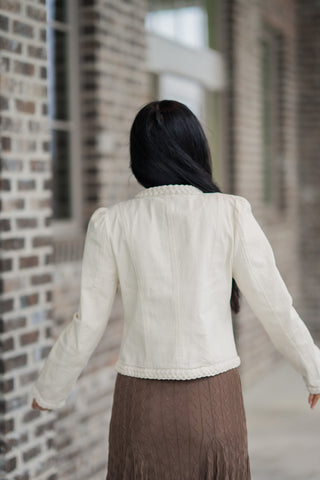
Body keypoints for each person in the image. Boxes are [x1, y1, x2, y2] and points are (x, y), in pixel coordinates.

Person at [31, 100, 320, 479]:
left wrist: (49, 389)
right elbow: (274, 305)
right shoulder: (229, 213)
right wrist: (313, 369)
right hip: (214, 403)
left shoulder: (111, 223)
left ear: (140, 159)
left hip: (140, 406)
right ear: (196, 151)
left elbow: (88, 324)